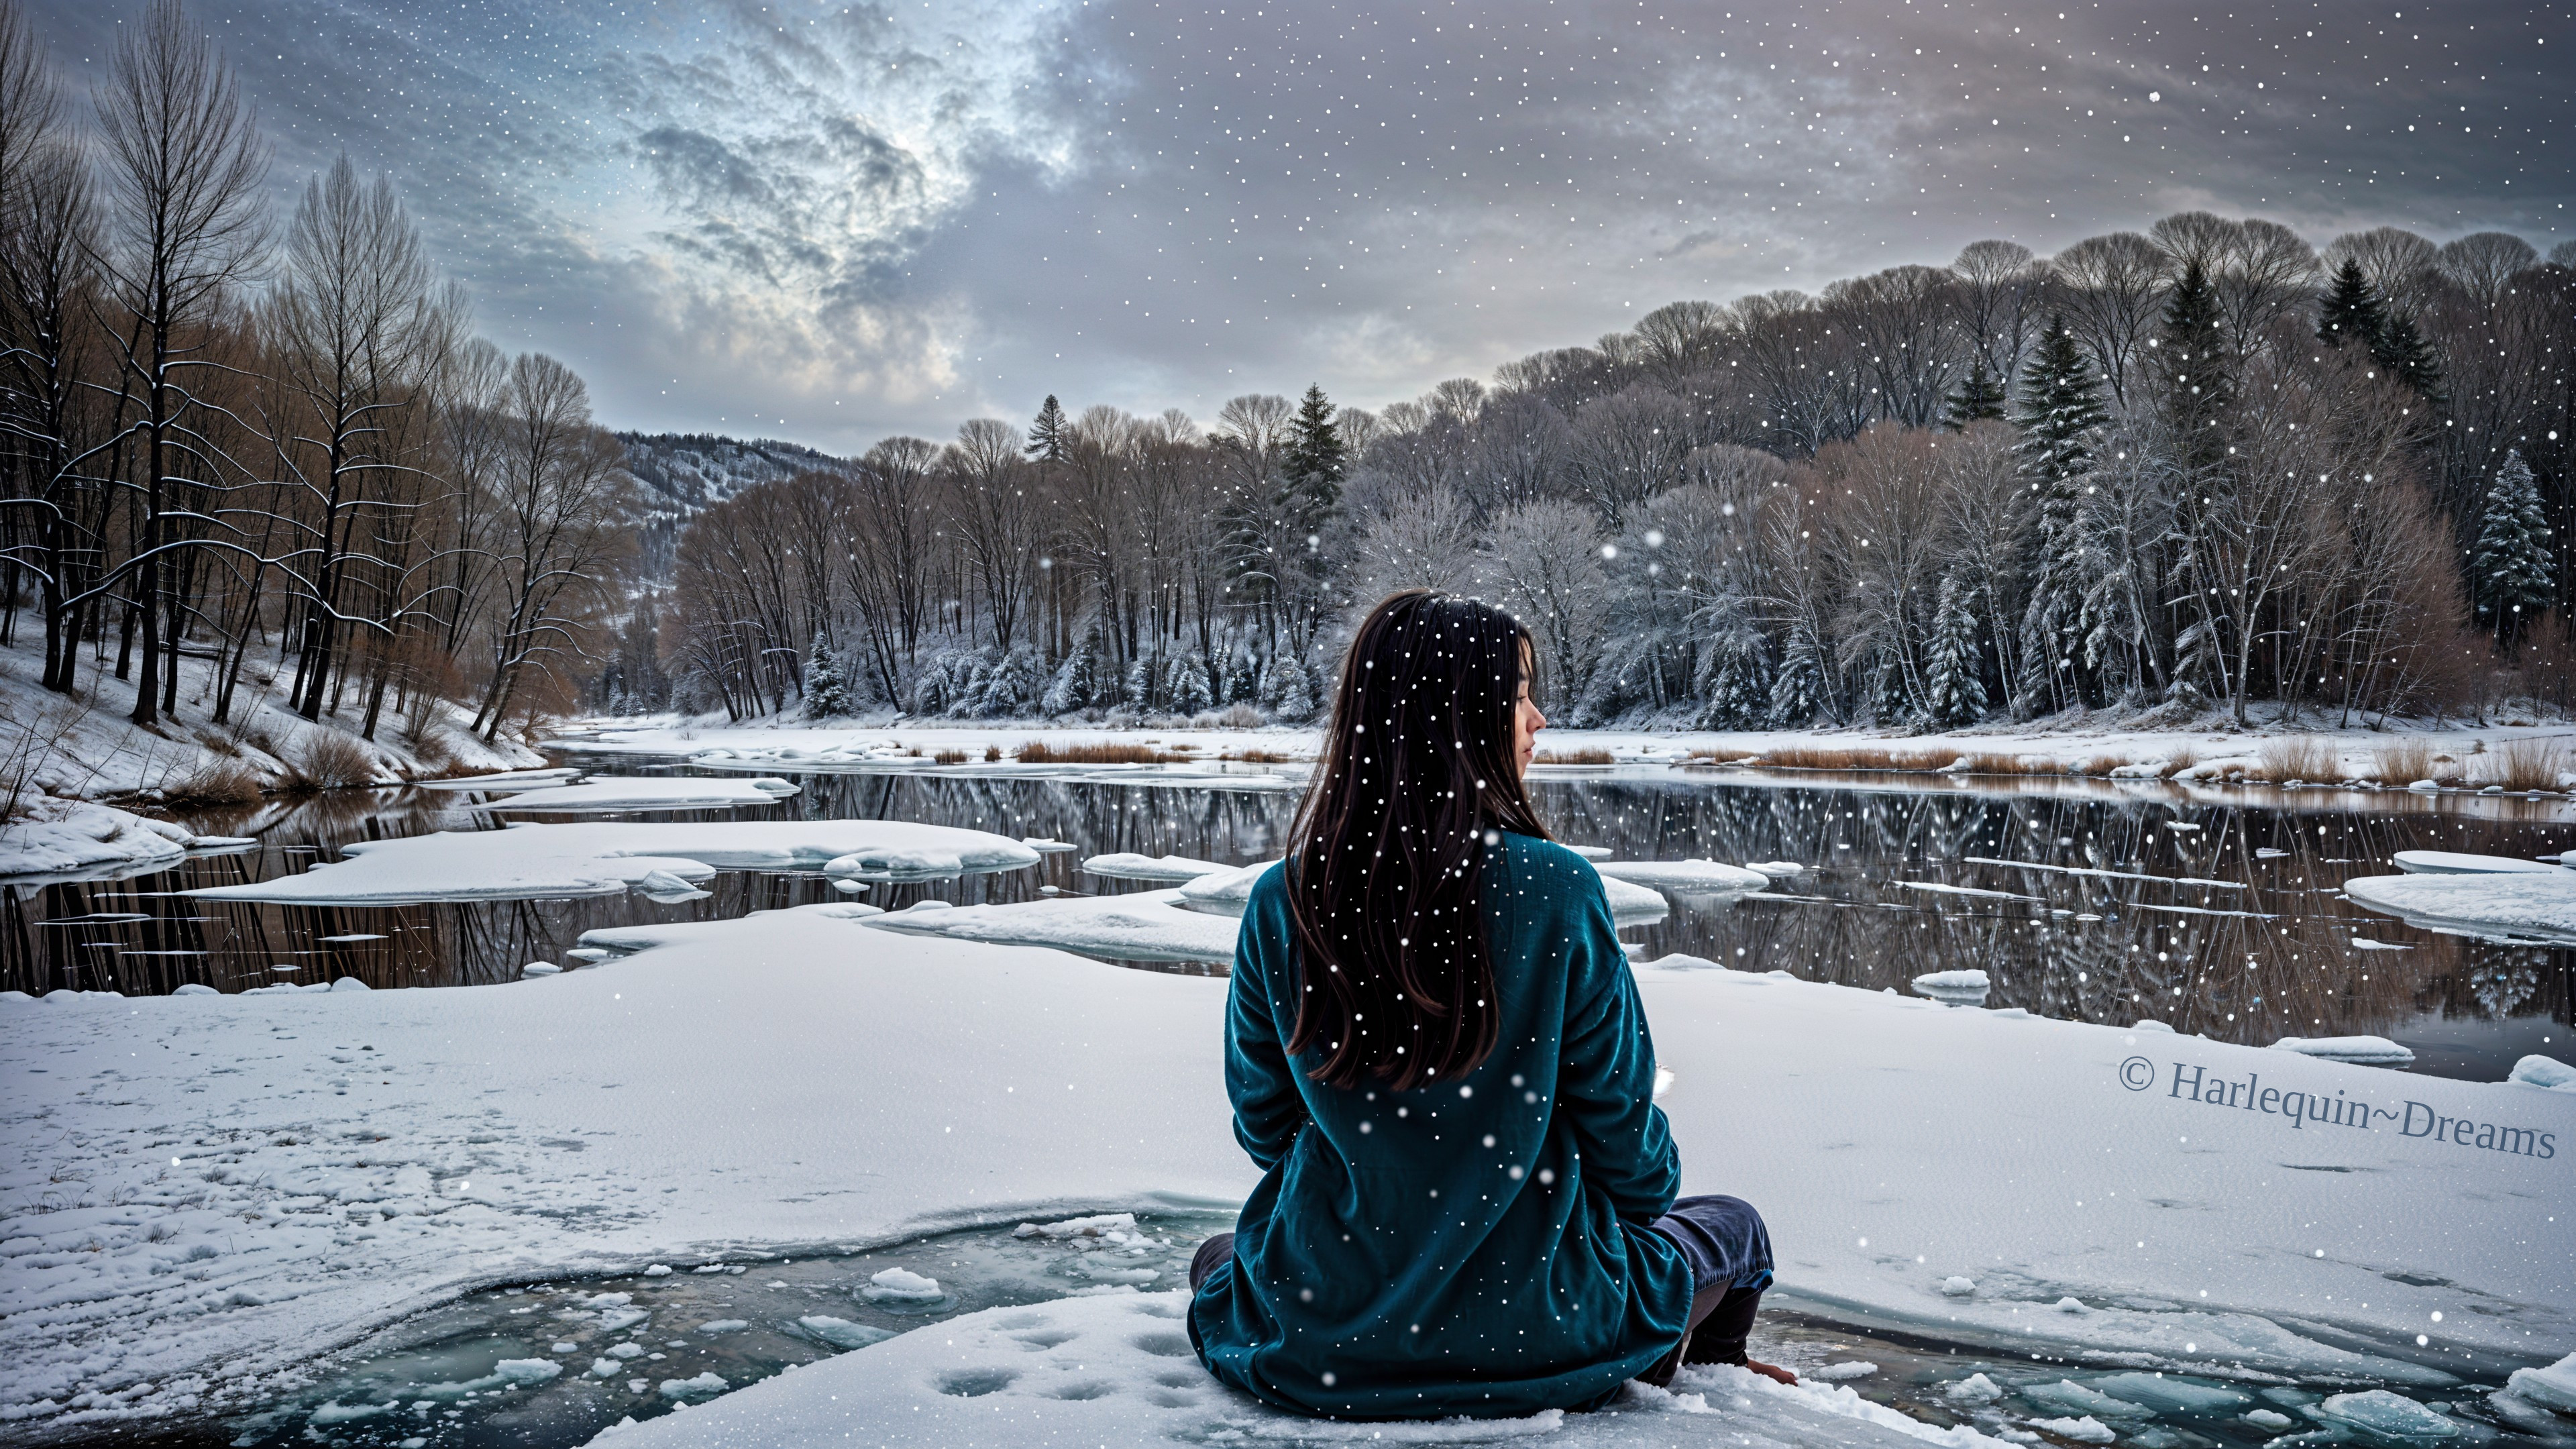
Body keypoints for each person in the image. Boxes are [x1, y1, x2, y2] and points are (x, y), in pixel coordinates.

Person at [1187, 589, 1792, 1420]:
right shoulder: (1558, 892)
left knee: (1222, 1259)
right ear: (1460, 718)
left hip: (1323, 1342)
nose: (1539, 719)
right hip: (1545, 1331)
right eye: (1517, 695)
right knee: (1735, 1229)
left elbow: (1265, 1130)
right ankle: (1689, 1378)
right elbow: (1636, 1162)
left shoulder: (1281, 899)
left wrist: (1393, 1191)